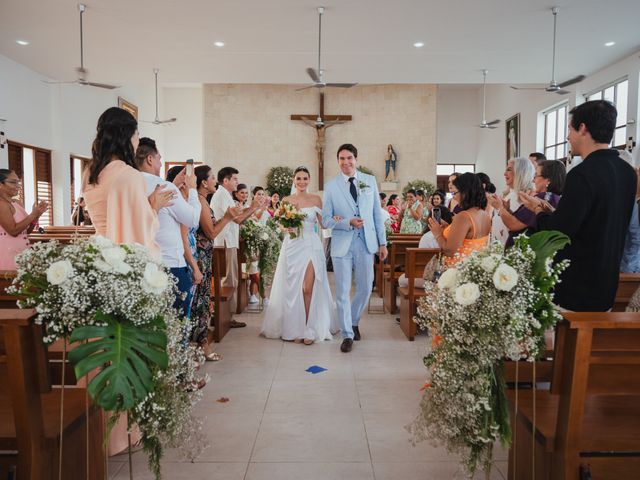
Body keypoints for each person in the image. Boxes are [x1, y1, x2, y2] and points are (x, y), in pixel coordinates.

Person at [519, 100, 636, 312]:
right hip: (607, 281)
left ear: (583, 128)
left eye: (570, 129)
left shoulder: (582, 174)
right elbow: (597, 221)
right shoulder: (626, 172)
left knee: (566, 345)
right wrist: (552, 211)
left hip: (577, 283)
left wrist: (537, 211)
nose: (567, 137)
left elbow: (559, 233)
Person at [83, 107, 174, 258]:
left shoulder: (90, 172)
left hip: (98, 252)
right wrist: (155, 206)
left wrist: (148, 203)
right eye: (137, 134)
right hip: (120, 257)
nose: (138, 140)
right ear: (127, 136)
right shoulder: (129, 175)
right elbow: (139, 230)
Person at [322, 144, 388, 353]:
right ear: (338, 160)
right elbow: (325, 220)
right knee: (341, 291)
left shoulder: (369, 181)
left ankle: (353, 320)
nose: (346, 162)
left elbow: (377, 214)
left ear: (356, 159)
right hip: (342, 244)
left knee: (366, 288)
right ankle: (347, 334)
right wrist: (346, 222)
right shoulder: (331, 186)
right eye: (341, 159)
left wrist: (382, 242)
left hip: (366, 243)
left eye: (349, 158)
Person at [261, 166, 338, 343]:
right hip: (292, 244)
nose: (302, 182)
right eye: (299, 178)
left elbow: (324, 224)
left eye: (305, 178)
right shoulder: (287, 200)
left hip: (311, 244)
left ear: (309, 180)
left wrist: (336, 219)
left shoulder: (316, 199)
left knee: (307, 287)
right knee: (292, 288)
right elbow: (280, 223)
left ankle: (310, 329)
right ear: (294, 181)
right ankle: (296, 328)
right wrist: (284, 227)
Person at [136, 137, 201, 320]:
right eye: (159, 158)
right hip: (170, 265)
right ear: (150, 159)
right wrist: (192, 189)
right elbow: (193, 219)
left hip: (142, 264)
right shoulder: (164, 186)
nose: (160, 162)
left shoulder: (130, 185)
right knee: (176, 325)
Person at [191, 165, 240, 359]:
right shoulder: (200, 201)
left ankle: (201, 344)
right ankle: (202, 346)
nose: (214, 181)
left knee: (202, 301)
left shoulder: (202, 200)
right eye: (212, 177)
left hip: (205, 256)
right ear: (203, 182)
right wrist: (227, 217)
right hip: (201, 257)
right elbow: (210, 232)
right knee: (201, 302)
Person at [210, 167, 262, 326]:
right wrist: (253, 207)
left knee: (231, 279)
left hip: (229, 241)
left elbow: (237, 217)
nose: (237, 182)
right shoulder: (222, 195)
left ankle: (227, 317)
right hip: (225, 242)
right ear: (225, 180)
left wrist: (251, 208)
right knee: (229, 281)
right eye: (234, 179)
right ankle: (224, 317)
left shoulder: (225, 195)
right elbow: (237, 220)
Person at [428, 173, 491, 266]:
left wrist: (437, 234)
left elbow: (449, 251)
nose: (454, 197)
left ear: (465, 192)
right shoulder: (485, 215)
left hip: (457, 270)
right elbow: (469, 240)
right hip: (475, 267)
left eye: (455, 193)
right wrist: (448, 227)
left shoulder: (464, 216)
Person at [0, 169, 48, 269]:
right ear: (1, 184)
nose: (18, 185)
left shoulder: (17, 203)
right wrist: (33, 214)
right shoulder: (1, 205)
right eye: (13, 182)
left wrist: (37, 215)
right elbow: (13, 231)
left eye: (18, 182)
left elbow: (27, 230)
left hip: (22, 250)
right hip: (8, 252)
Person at [487, 157, 536, 247]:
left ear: (520, 172)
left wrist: (499, 208)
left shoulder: (528, 197)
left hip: (512, 246)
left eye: (509, 170)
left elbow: (515, 223)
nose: (504, 174)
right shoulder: (507, 195)